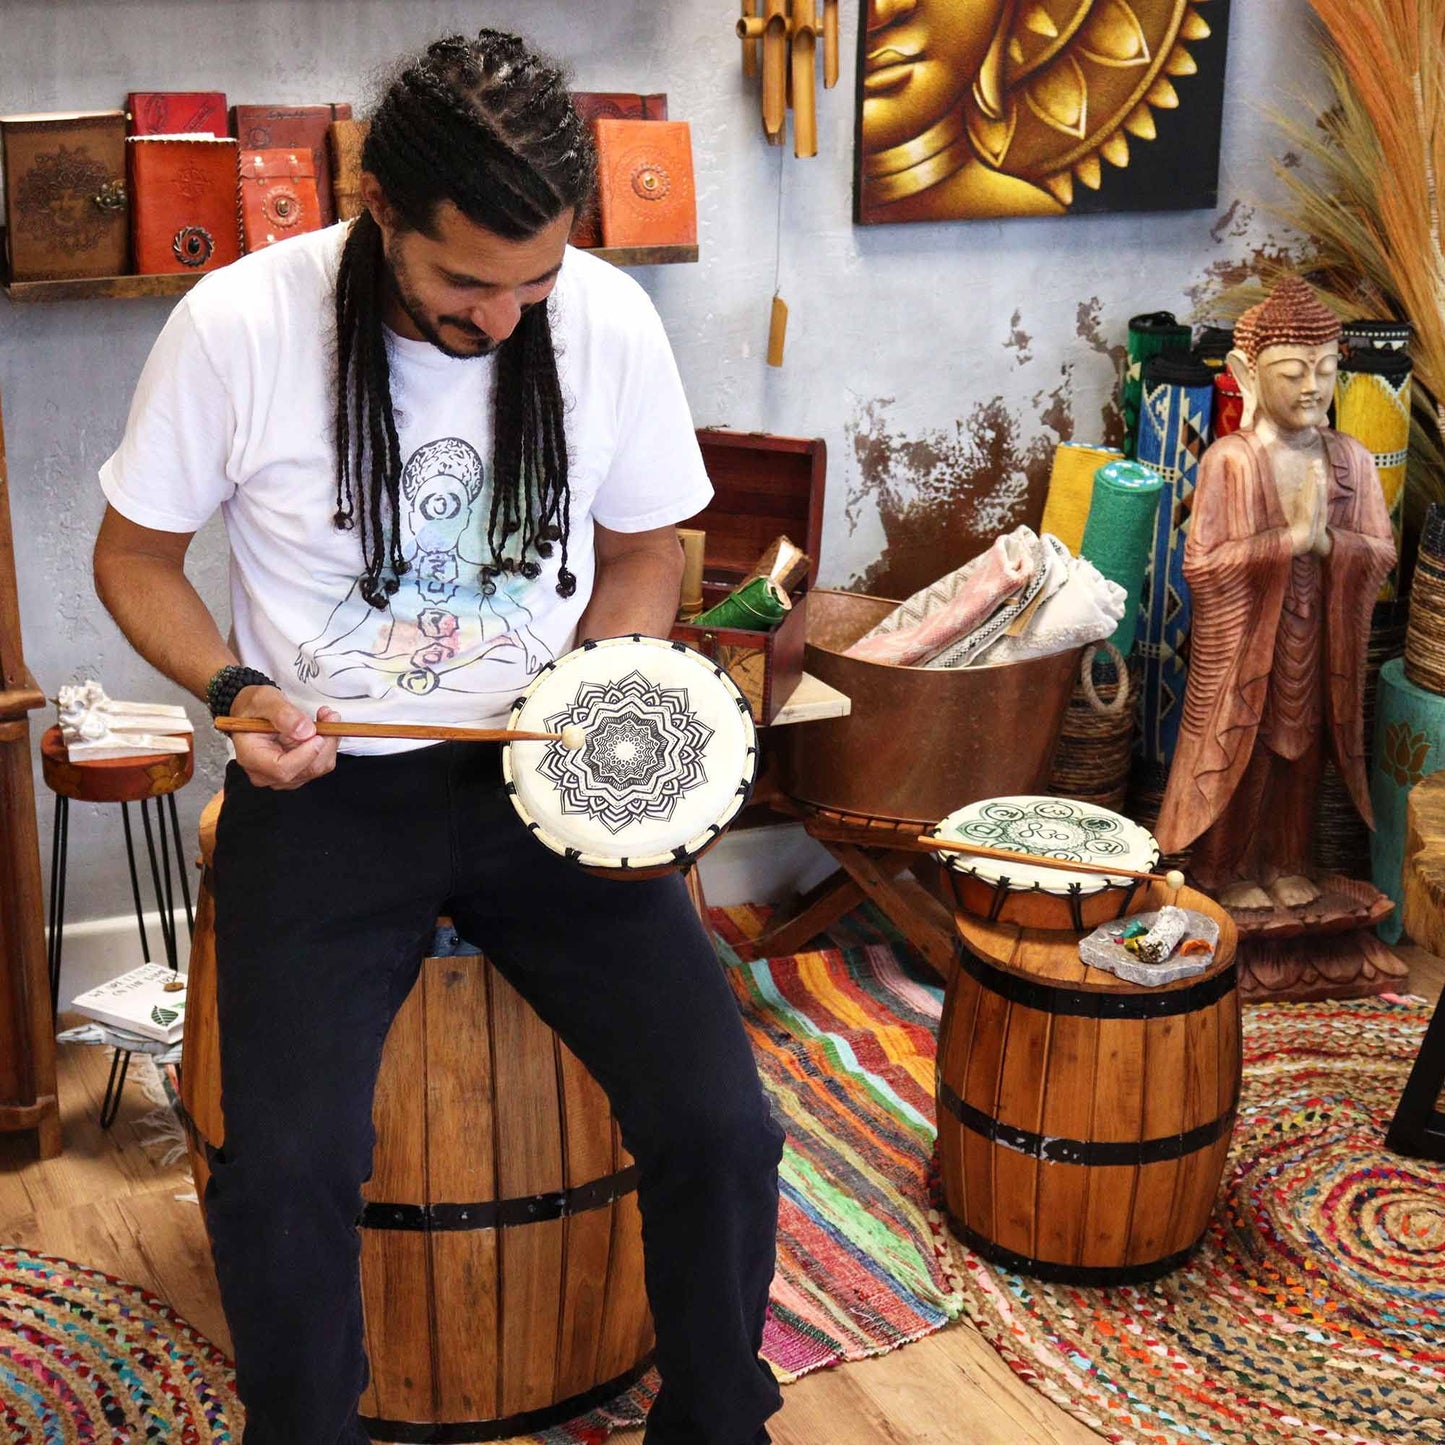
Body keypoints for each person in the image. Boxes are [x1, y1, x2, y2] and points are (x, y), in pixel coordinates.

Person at [92, 30, 785, 1445]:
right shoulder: (238, 325)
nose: (510, 318)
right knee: (284, 1167)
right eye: (468, 282)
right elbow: (134, 560)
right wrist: (234, 692)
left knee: (724, 1126)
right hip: (330, 785)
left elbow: (646, 542)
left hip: (547, 785)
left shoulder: (601, 317)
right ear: (378, 212)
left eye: (536, 280)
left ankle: (718, 1418)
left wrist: (601, 709)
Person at [1155, 278, 1395, 908]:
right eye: (1292, 372)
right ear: (1247, 374)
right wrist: (1285, 541)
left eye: (1325, 369)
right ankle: (1225, 871)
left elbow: (1381, 552)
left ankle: (1291, 864)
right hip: (1246, 645)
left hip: (1321, 639)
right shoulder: (1231, 462)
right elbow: (1203, 566)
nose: (1312, 387)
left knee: (1306, 753)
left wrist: (1330, 547)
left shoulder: (1353, 461)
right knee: (1245, 747)